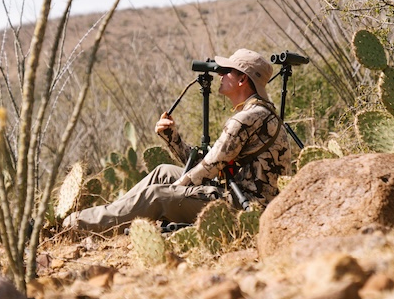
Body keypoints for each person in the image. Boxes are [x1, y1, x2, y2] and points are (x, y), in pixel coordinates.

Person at [62, 48, 292, 234]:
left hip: (245, 207)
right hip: (236, 193)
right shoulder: (259, 113)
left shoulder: (247, 119)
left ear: (243, 79)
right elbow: (207, 163)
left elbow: (208, 169)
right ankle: (102, 218)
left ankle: (75, 225)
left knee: (157, 194)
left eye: (226, 71)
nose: (219, 75)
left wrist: (173, 190)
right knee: (162, 171)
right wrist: (172, 138)